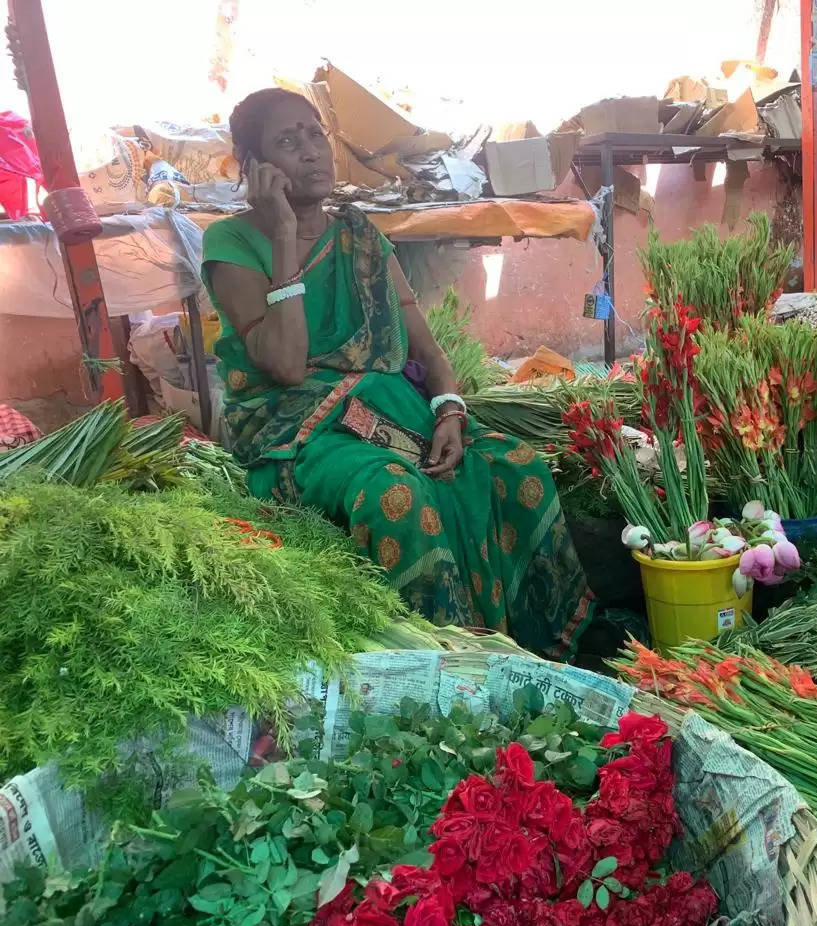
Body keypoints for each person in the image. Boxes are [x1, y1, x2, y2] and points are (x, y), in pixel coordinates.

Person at [200, 88, 594, 659]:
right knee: (398, 495)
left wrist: (449, 412)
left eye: (315, 134)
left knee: (515, 466)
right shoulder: (231, 241)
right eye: (287, 142)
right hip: (297, 432)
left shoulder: (360, 238)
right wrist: (283, 234)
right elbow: (285, 366)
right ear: (254, 168)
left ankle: (543, 650)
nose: (311, 151)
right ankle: (446, 666)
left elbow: (427, 348)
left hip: (391, 410)